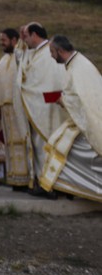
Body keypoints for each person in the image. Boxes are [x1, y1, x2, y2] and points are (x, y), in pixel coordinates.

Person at [33, 36, 102, 203]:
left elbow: (84, 98)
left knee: (60, 145)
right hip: (80, 118)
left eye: (52, 52)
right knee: (57, 142)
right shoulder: (75, 63)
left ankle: (64, 187)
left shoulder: (79, 67)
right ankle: (64, 187)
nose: (51, 56)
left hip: (88, 121)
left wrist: (63, 100)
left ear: (60, 51)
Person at [20, 22, 69, 197]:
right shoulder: (40, 53)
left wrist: (23, 90)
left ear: (34, 35)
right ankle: (53, 184)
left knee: (44, 146)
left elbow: (36, 84)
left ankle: (48, 185)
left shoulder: (47, 54)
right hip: (48, 106)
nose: (24, 40)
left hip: (44, 108)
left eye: (26, 36)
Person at [0, 27, 33, 188]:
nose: (1, 43)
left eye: (4, 40)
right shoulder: (3, 60)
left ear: (14, 40)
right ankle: (14, 177)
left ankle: (26, 178)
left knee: (22, 143)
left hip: (19, 108)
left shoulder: (22, 57)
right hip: (6, 111)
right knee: (10, 145)